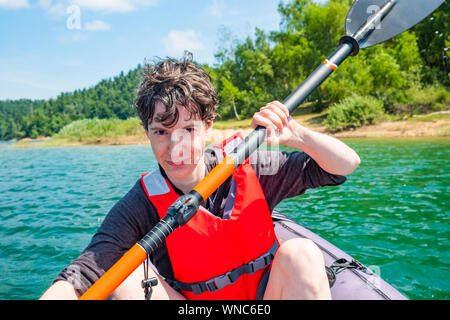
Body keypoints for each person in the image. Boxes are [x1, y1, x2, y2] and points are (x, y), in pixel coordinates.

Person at [40, 56, 360, 300]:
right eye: (161, 132)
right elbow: (82, 273)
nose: (175, 147)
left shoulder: (250, 165)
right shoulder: (141, 204)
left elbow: (343, 165)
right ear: (147, 133)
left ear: (208, 126)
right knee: (122, 275)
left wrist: (298, 135)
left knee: (302, 253)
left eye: (188, 130)